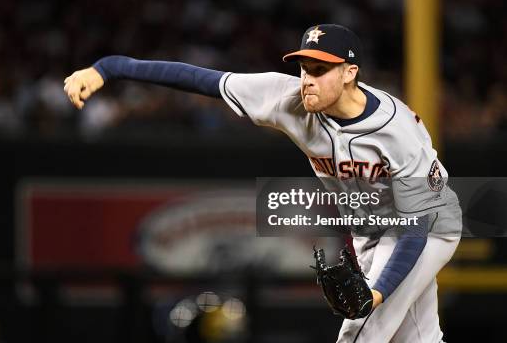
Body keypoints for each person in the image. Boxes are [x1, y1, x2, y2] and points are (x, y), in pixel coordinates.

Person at [63, 24, 461, 342]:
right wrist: (108, 67)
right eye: (304, 68)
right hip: (369, 232)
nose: (307, 79)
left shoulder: (397, 131)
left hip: (424, 225)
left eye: (320, 70)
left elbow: (415, 229)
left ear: (349, 73)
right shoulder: (286, 97)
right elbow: (198, 79)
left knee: (362, 328)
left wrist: (375, 293)